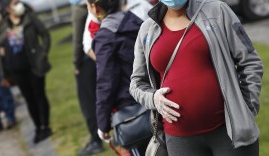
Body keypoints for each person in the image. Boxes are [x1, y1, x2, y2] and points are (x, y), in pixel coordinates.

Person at [130, 0, 263, 156]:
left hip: (229, 133)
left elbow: (250, 61)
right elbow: (137, 83)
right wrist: (153, 98)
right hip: (180, 140)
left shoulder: (217, 11)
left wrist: (247, 108)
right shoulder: (147, 29)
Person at [86, 0, 149, 155]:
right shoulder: (138, 22)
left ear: (94, 7)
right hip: (159, 101)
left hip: (134, 114)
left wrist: (103, 125)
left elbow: (105, 84)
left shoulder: (105, 37)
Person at [0, 0, 52, 144]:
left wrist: (42, 54)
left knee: (39, 95)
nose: (18, 5)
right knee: (29, 99)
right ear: (7, 8)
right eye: (14, 3)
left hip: (34, 65)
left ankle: (45, 126)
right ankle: (38, 127)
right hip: (17, 69)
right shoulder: (4, 25)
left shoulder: (29, 18)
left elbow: (45, 35)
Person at [69, 0, 104, 155]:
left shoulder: (80, 11)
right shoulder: (99, 5)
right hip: (98, 57)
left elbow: (78, 41)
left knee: (88, 103)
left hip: (86, 61)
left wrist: (76, 64)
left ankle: (95, 140)